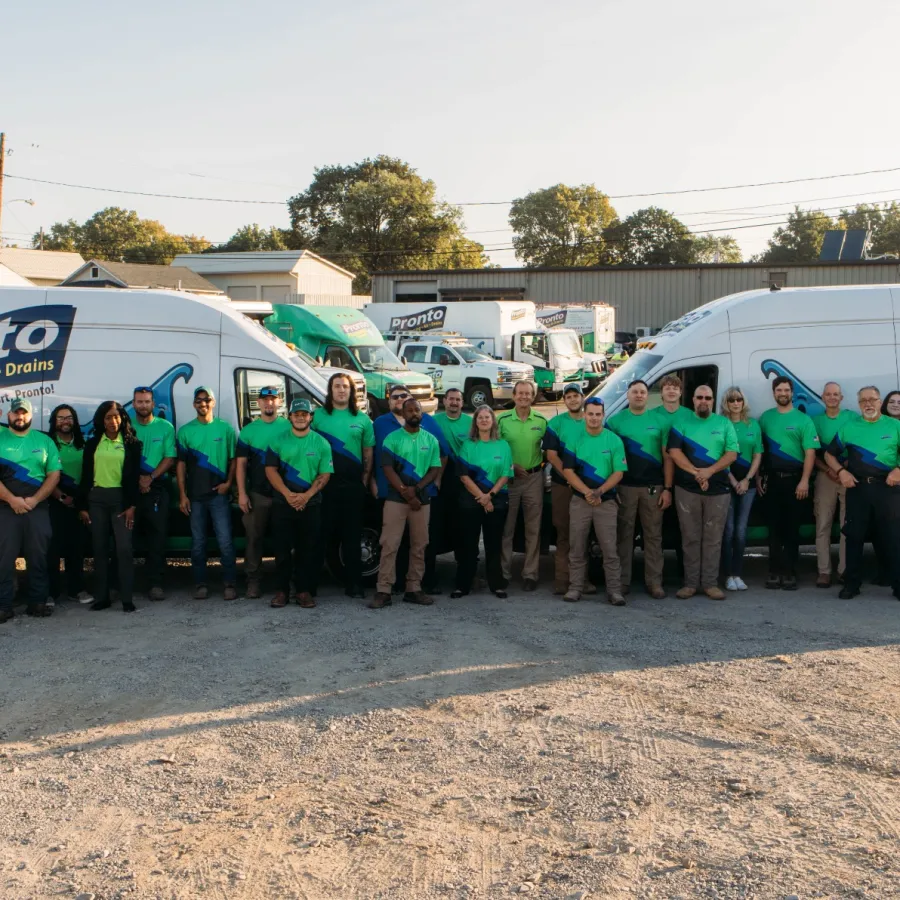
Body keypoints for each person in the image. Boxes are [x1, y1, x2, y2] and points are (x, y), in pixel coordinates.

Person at [824, 385, 900, 600]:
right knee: (854, 537)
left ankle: (898, 584)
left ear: (879, 402)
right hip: (858, 489)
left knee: (893, 538)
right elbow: (830, 455)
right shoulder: (849, 428)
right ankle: (851, 584)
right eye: (863, 400)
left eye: (872, 399)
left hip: (889, 489)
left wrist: (899, 469)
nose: (868, 403)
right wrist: (841, 472)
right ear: (858, 404)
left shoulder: (895, 426)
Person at [372, 384, 448, 589]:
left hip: (422, 499)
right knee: (389, 545)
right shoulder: (392, 438)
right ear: (403, 414)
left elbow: (434, 468)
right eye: (409, 410)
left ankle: (414, 588)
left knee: (420, 546)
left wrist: (417, 489)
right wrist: (406, 492)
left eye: (417, 410)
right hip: (395, 498)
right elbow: (387, 468)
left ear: (421, 412)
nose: (413, 413)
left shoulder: (430, 439)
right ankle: (384, 589)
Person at [666, 385, 738, 600]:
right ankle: (690, 584)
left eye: (707, 397)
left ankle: (709, 584)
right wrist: (697, 473)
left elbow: (732, 453)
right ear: (693, 399)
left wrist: (709, 472)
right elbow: (674, 452)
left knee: (713, 539)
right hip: (687, 489)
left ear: (712, 400)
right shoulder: (681, 423)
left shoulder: (723, 423)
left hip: (718, 491)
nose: (703, 401)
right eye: (699, 397)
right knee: (690, 538)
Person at [265, 398, 333, 608]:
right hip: (283, 503)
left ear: (310, 417)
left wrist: (306, 496)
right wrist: (287, 494)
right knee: (282, 551)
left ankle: (303, 591)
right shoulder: (277, 441)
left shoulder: (321, 443)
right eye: (297, 414)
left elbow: (325, 474)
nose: (301, 417)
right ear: (290, 417)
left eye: (304, 414)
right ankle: (282, 592)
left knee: (307, 551)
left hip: (310, 504)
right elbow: (270, 470)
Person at [607, 380, 672, 599]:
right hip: (625, 487)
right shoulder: (615, 422)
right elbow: (609, 458)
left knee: (653, 537)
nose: (639, 395)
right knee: (623, 536)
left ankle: (654, 582)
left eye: (643, 392)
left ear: (648, 396)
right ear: (627, 395)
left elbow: (667, 457)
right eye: (634, 392)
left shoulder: (660, 421)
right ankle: (622, 582)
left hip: (653, 487)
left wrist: (668, 488)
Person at [313, 373, 374, 599]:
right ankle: (309, 586)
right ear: (330, 390)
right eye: (337, 386)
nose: (341, 390)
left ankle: (354, 585)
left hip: (352, 487)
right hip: (324, 485)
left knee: (352, 536)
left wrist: (365, 480)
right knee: (320, 535)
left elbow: (368, 452)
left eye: (345, 387)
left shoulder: (362, 419)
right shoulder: (318, 416)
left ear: (351, 392)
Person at [77, 401, 142, 613]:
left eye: (116, 417)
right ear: (101, 420)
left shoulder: (132, 443)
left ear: (122, 418)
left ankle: (126, 599)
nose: (113, 421)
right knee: (100, 549)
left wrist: (132, 505)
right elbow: (86, 476)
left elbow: (133, 479)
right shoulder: (93, 442)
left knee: (124, 549)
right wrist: (83, 506)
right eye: (108, 417)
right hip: (97, 500)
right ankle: (102, 597)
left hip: (121, 501)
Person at [0, 398, 61, 622]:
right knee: (4, 559)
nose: (20, 417)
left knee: (38, 557)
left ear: (31, 416)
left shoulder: (44, 441)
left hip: (37, 508)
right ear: (8, 416)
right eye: (16, 413)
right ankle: (4, 605)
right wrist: (11, 500)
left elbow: (54, 474)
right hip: (5, 509)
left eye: (23, 413)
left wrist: (35, 500)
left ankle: (37, 602)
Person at [562, 397, 627, 605]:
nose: (594, 418)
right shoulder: (575, 440)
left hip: (606, 502)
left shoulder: (614, 440)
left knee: (610, 549)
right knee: (577, 547)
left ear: (603, 415)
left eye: (598, 414)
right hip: (580, 501)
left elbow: (619, 473)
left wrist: (599, 491)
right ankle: (575, 588)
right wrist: (587, 492)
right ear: (584, 415)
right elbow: (568, 471)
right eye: (590, 414)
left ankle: (615, 591)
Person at [176, 386, 238, 601]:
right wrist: (183, 495)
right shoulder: (185, 432)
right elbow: (181, 466)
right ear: (194, 404)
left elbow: (233, 461)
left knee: (226, 542)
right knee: (198, 543)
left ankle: (230, 583)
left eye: (207, 399)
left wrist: (228, 483)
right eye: (198, 400)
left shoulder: (226, 429)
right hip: (195, 497)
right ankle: (200, 584)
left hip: (219, 496)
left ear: (213, 402)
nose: (203, 403)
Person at [757, 376, 819, 590]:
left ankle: (790, 572)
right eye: (779, 390)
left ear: (792, 393)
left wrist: (804, 481)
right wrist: (758, 477)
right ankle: (774, 571)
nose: (782, 393)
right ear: (774, 393)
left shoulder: (803, 420)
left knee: (792, 529)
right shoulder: (765, 418)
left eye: (786, 390)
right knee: (773, 529)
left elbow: (810, 454)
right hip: (771, 480)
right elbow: (759, 451)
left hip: (795, 480)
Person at [236, 385, 291, 599]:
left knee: (285, 540)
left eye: (273, 399)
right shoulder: (249, 431)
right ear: (258, 403)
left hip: (284, 493)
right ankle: (253, 581)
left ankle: (285, 582)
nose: (269, 403)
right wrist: (242, 493)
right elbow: (240, 466)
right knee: (253, 539)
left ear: (279, 402)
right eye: (265, 399)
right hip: (257, 494)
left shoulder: (289, 427)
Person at [455, 405, 513, 599]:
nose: (484, 420)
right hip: (471, 501)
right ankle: (463, 585)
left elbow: (506, 474)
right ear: (475, 422)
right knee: (468, 545)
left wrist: (490, 496)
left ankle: (496, 584)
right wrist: (482, 497)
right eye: (480, 417)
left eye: (487, 417)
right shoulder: (468, 446)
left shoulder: (503, 445)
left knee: (494, 545)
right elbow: (463, 476)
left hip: (496, 500)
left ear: (493, 421)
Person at [498, 381, 547, 591]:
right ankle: (503, 573)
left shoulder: (542, 421)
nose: (524, 397)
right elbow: (495, 449)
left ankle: (530, 574)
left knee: (533, 529)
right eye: (521, 394)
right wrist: (511, 466)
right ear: (514, 395)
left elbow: (550, 449)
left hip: (534, 478)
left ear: (533, 396)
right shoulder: (502, 420)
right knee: (506, 528)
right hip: (509, 480)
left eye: (528, 394)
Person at [543, 384, 590, 594]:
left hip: (587, 485)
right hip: (563, 486)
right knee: (563, 533)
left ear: (582, 398)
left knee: (583, 535)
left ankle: (582, 580)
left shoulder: (592, 421)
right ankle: (562, 581)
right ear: (564, 401)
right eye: (568, 397)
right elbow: (552, 456)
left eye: (576, 395)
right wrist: (569, 478)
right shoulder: (555, 424)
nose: (572, 400)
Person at [131, 387, 177, 601]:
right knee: (125, 539)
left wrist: (150, 478)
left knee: (157, 539)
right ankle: (121, 585)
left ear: (153, 403)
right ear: (133, 404)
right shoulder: (126, 427)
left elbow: (170, 457)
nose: (143, 405)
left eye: (147, 401)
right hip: (130, 489)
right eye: (139, 401)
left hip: (157, 488)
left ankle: (155, 584)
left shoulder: (165, 427)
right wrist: (138, 480)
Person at [811, 382, 858, 588]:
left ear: (841, 397)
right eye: (828, 394)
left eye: (836, 394)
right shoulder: (815, 421)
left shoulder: (852, 418)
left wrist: (844, 467)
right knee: (823, 525)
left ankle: (844, 570)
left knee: (846, 525)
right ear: (822, 397)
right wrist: (828, 469)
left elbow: (858, 445)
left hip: (848, 474)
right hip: (824, 475)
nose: (832, 397)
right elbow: (811, 452)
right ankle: (824, 571)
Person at [46, 404, 93, 606]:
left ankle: (76, 589)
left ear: (74, 421)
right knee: (52, 549)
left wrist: (80, 501)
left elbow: (89, 475)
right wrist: (61, 496)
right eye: (60, 418)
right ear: (54, 422)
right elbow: (44, 474)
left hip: (79, 502)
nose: (65, 421)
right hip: (55, 500)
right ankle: (51, 593)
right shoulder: (48, 443)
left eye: (69, 418)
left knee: (77, 548)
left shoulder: (83, 444)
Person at [428, 388, 473, 592]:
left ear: (462, 403)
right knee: (435, 527)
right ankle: (429, 577)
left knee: (463, 529)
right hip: (439, 477)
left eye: (458, 399)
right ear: (443, 401)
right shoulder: (433, 421)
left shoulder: (471, 422)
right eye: (451, 399)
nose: (454, 402)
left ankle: (464, 578)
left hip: (464, 479)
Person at [719, 387, 762, 592]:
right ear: (725, 403)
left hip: (748, 485)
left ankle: (737, 574)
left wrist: (747, 479)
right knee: (728, 531)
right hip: (726, 483)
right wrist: (733, 480)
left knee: (741, 531)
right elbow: (721, 456)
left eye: (739, 399)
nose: (735, 403)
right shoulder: (721, 424)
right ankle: (727, 575)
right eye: (731, 400)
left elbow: (757, 455)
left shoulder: (753, 424)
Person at [653, 373, 693, 573]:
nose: (671, 391)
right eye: (667, 388)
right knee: (658, 527)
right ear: (661, 393)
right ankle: (659, 572)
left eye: (675, 388)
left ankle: (683, 571)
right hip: (658, 476)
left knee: (683, 527)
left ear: (680, 392)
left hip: (685, 477)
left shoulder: (689, 415)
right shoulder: (653, 415)